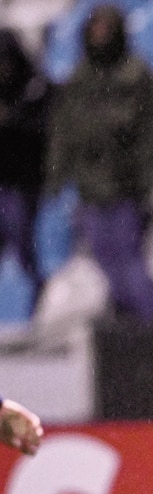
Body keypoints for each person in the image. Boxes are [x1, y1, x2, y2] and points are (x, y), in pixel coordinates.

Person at [44, 4, 153, 322]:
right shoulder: (79, 79)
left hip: (124, 187)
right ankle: (123, 326)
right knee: (103, 263)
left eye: (105, 29)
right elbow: (65, 131)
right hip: (90, 189)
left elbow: (150, 133)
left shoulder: (136, 75)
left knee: (130, 262)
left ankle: (148, 326)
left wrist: (144, 181)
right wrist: (58, 176)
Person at [0, 28, 51, 305]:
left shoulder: (35, 88)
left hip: (22, 183)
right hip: (6, 182)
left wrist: (11, 120)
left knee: (24, 246)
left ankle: (38, 300)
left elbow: (41, 132)